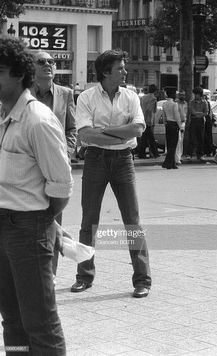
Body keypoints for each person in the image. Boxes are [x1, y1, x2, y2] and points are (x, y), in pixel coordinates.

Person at [0, 37, 73, 355]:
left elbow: (61, 186)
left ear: (17, 74)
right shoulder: (4, 116)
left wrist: (43, 221)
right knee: (12, 319)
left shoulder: (38, 120)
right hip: (4, 226)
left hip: (29, 229)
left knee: (40, 321)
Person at [71, 50, 151, 298]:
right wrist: (120, 132)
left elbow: (138, 128)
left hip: (124, 160)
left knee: (133, 221)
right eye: (121, 68)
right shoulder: (86, 97)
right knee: (89, 221)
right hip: (95, 159)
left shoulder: (131, 96)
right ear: (106, 72)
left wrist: (104, 131)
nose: (125, 72)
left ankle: (142, 280)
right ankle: (84, 276)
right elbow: (85, 134)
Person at [31, 50, 77, 276]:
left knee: (52, 222)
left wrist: (66, 154)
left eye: (51, 61)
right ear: (32, 68)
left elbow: (71, 128)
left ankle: (51, 276)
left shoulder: (66, 93)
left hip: (55, 168)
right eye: (42, 61)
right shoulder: (23, 94)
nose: (48, 64)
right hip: (29, 167)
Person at [161, 90, 183, 169]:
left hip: (168, 125)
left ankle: (172, 163)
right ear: (173, 95)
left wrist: (165, 124)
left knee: (170, 144)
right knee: (173, 145)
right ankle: (168, 163)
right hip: (174, 125)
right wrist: (180, 126)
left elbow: (163, 115)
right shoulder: (174, 104)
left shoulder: (164, 104)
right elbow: (177, 116)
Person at [137, 84, 159, 159]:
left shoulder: (143, 97)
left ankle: (143, 153)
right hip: (148, 120)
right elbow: (151, 110)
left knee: (145, 138)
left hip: (142, 119)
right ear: (155, 91)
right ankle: (154, 153)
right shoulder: (153, 98)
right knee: (150, 138)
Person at [188, 86, 208, 161]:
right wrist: (200, 113)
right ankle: (189, 154)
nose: (195, 96)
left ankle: (200, 154)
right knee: (192, 137)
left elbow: (206, 112)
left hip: (201, 121)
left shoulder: (204, 102)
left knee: (201, 138)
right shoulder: (191, 102)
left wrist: (198, 114)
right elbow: (192, 111)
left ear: (200, 95)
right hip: (193, 120)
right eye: (195, 94)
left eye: (197, 94)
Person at [175, 90, 188, 164]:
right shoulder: (176, 103)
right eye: (181, 95)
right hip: (177, 123)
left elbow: (186, 113)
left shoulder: (185, 103)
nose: (182, 96)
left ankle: (179, 156)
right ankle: (177, 158)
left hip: (183, 123)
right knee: (178, 141)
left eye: (183, 95)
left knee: (181, 141)